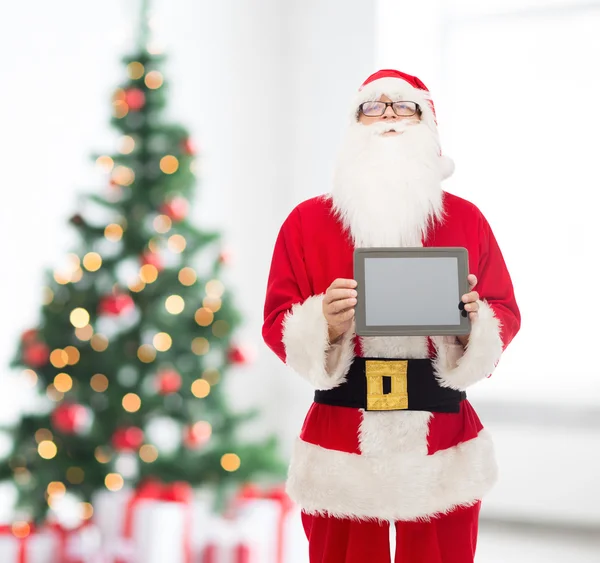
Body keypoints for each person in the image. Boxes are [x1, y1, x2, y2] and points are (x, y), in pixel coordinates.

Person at [262, 69, 521, 563]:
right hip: (341, 434)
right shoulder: (305, 222)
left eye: (404, 107)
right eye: (373, 107)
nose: (388, 118)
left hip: (440, 434)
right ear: (352, 125)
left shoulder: (467, 219)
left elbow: (505, 309)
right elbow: (277, 317)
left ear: (428, 125)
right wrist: (324, 325)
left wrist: (474, 323)